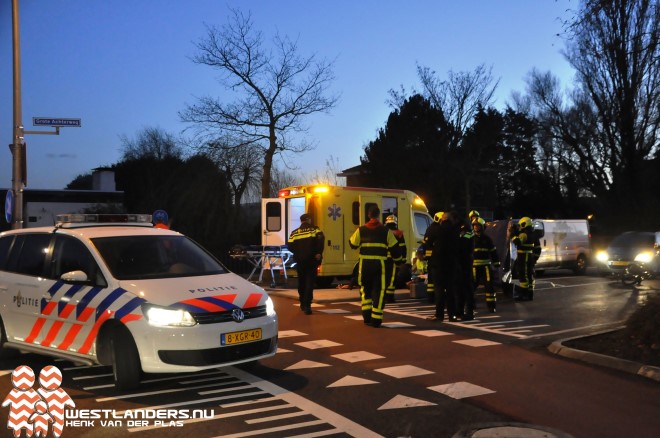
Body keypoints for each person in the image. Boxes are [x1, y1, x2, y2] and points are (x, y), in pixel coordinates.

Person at [349, 205, 400, 327]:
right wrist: (398, 261)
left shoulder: (361, 230)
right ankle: (376, 319)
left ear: (368, 215)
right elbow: (395, 249)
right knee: (379, 291)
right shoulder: (385, 231)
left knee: (365, 290)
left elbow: (352, 244)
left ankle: (366, 316)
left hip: (365, 265)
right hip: (379, 266)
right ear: (378, 215)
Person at [422, 210, 460, 322]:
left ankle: (439, 315)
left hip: (438, 265)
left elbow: (427, 245)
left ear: (442, 219)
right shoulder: (455, 231)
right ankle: (452, 315)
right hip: (452, 265)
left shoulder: (436, 230)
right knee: (451, 290)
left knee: (439, 290)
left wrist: (429, 258)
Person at [287, 213, 325, 314]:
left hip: (300, 261)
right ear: (308, 220)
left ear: (301, 221)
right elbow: (321, 241)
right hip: (312, 260)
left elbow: (289, 246)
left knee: (302, 282)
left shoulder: (294, 233)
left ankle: (302, 303)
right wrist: (318, 253)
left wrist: (298, 253)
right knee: (309, 282)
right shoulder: (315, 229)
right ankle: (307, 305)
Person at [472, 217, 501, 313]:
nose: (475, 227)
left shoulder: (487, 239)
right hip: (474, 268)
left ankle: (491, 306)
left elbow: (493, 252)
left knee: (489, 287)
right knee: (471, 286)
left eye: (477, 225)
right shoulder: (471, 239)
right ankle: (471, 305)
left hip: (486, 268)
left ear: (482, 227)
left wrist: (497, 264)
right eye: (474, 225)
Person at [509, 216, 541, 301]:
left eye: (521, 225)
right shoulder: (533, 233)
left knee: (523, 275)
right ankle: (530, 294)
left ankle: (523, 295)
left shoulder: (524, 234)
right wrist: (535, 259)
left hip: (524, 257)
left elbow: (518, 242)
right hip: (529, 256)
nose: (520, 227)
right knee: (529, 276)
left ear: (525, 224)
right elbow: (538, 248)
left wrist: (513, 234)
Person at [384, 214, 406, 303]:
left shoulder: (383, 232)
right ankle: (389, 298)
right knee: (392, 279)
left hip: (383, 259)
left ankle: (384, 296)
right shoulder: (399, 233)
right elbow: (403, 247)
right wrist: (403, 260)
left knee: (384, 278)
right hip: (394, 259)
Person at [456, 219, 475, 320]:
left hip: (465, 264)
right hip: (464, 264)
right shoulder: (465, 232)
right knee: (461, 289)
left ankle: (469, 313)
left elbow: (462, 247)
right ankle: (461, 311)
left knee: (467, 289)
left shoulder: (466, 233)